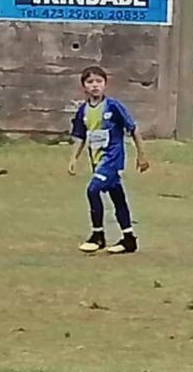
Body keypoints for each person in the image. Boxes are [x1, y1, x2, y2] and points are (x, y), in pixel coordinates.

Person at [69, 66, 149, 254]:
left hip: (112, 160)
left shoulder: (113, 106)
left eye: (99, 81)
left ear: (105, 84)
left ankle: (98, 235)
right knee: (117, 197)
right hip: (97, 161)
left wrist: (141, 155)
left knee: (92, 190)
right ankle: (129, 239)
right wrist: (73, 158)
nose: (95, 85)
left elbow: (133, 129)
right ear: (84, 87)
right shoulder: (83, 111)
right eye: (90, 82)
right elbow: (81, 136)